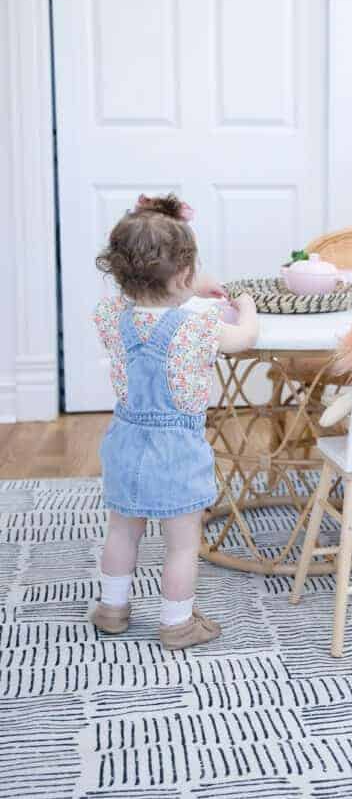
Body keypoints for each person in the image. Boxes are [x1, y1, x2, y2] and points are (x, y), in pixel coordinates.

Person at [90, 193, 258, 649]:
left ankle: (112, 608)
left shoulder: (111, 317)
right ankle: (177, 623)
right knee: (182, 544)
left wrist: (183, 289)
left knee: (122, 530)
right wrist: (246, 306)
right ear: (185, 275)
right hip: (176, 450)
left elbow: (148, 304)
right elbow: (242, 339)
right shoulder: (199, 327)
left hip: (125, 440)